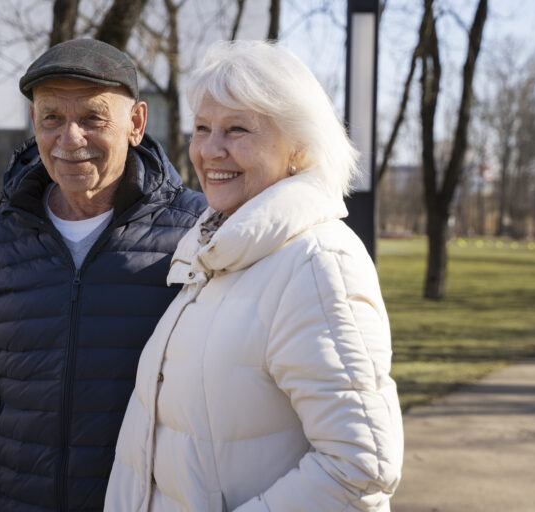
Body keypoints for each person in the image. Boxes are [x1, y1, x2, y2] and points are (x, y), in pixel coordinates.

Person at [104, 40, 404, 512]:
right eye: (202, 128)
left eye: (237, 129)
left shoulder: (317, 262)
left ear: (297, 148)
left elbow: (360, 467)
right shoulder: (218, 254)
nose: (209, 150)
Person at [0, 38, 206, 512]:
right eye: (51, 118)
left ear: (136, 123)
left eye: (93, 118)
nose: (70, 138)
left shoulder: (198, 235)